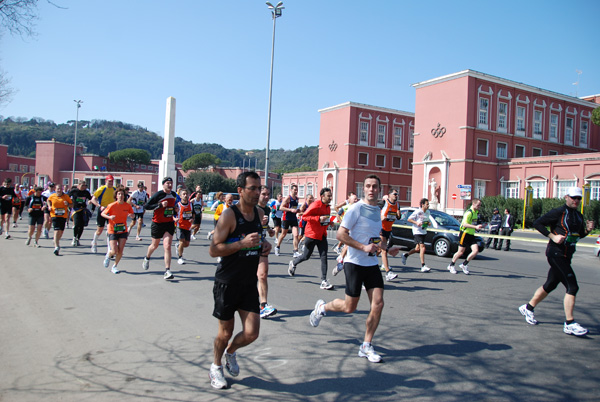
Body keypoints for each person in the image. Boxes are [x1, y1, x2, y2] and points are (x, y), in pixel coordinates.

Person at [309, 175, 398, 363]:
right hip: (354, 263)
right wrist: (363, 247)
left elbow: (375, 238)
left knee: (378, 303)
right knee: (350, 307)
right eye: (368, 186)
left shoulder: (377, 210)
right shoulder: (355, 209)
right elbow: (341, 234)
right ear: (363, 189)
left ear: (379, 190)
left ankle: (366, 345)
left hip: (372, 264)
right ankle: (322, 308)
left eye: (375, 186)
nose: (371, 189)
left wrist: (387, 249)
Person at [208, 172, 271, 389]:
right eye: (252, 188)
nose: (257, 193)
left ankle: (231, 352)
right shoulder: (229, 216)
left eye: (259, 188)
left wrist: (264, 245)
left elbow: (259, 240)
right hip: (227, 283)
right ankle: (215, 367)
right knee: (224, 333)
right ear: (240, 191)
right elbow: (213, 250)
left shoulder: (260, 212)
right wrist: (241, 244)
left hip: (247, 284)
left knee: (252, 333)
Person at [518, 187, 594, 337]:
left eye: (579, 198)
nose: (576, 201)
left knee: (551, 284)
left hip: (567, 255)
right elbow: (538, 223)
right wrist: (552, 236)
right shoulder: (559, 212)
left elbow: (577, 236)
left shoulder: (578, 216)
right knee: (572, 286)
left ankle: (528, 308)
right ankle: (569, 323)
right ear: (566, 197)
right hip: (555, 253)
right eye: (573, 197)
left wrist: (587, 231)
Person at [288, 188, 334, 290]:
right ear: (322, 196)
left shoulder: (328, 207)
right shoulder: (315, 205)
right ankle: (293, 263)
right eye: (328, 196)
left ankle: (324, 281)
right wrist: (318, 218)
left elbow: (325, 219)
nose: (330, 198)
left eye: (331, 196)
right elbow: (304, 216)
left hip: (322, 235)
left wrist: (329, 222)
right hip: (311, 235)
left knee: (324, 256)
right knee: (306, 256)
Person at [142, 177, 179, 280]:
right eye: (167, 183)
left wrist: (175, 210)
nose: (170, 185)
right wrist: (160, 205)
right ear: (163, 185)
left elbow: (173, 208)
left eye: (171, 183)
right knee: (154, 245)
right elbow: (147, 206)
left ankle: (167, 270)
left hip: (169, 223)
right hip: (157, 223)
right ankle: (147, 257)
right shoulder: (158, 195)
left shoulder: (174, 195)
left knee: (167, 246)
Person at [101, 187, 134, 274]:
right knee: (114, 251)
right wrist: (109, 217)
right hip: (113, 230)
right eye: (119, 194)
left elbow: (132, 214)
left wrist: (132, 216)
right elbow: (102, 213)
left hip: (123, 230)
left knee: (120, 250)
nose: (121, 196)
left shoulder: (127, 206)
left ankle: (114, 266)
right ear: (116, 196)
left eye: (122, 194)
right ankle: (108, 255)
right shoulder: (112, 205)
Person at [402, 197, 439, 273]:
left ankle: (406, 255)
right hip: (417, 231)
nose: (428, 205)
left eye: (428, 204)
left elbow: (427, 220)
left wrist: (428, 223)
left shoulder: (427, 212)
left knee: (417, 249)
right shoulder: (417, 211)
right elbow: (409, 219)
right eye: (427, 204)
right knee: (423, 247)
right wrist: (416, 223)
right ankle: (423, 265)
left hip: (423, 231)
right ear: (422, 204)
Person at [447, 198, 483, 275]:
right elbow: (464, 224)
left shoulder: (476, 212)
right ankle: (451, 265)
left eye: (480, 205)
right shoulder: (469, 213)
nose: (479, 206)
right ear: (473, 204)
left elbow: (473, 223)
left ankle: (464, 264)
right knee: (460, 252)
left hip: (471, 234)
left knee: (475, 250)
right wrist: (475, 227)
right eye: (478, 205)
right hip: (465, 234)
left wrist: (478, 226)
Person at [257, 185, 277, 318]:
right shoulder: (252, 208)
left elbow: (263, 225)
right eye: (263, 194)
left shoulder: (267, 209)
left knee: (263, 275)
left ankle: (263, 305)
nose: (266, 197)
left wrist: (268, 228)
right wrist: (258, 222)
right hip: (247, 246)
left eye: (268, 194)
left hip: (261, 244)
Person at [90, 175, 116, 253]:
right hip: (102, 210)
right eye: (109, 181)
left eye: (112, 181)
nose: (111, 183)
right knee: (100, 229)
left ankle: (110, 250)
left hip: (111, 211)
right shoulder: (102, 189)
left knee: (110, 230)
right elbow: (93, 199)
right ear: (106, 181)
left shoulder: (114, 189)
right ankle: (94, 242)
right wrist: (99, 206)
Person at [379, 189, 401, 281]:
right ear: (389, 195)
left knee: (378, 250)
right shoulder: (384, 203)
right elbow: (375, 212)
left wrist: (398, 214)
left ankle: (368, 261)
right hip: (380, 228)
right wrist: (381, 217)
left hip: (388, 229)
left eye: (397, 194)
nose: (396, 196)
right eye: (394, 194)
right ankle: (388, 272)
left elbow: (398, 217)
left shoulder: (397, 204)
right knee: (384, 250)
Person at [46, 184, 73, 256]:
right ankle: (57, 247)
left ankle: (55, 240)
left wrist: (67, 204)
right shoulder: (52, 196)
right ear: (55, 189)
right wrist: (49, 206)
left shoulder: (66, 196)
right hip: (54, 215)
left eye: (60, 189)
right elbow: (48, 200)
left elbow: (71, 205)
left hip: (63, 216)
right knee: (56, 230)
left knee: (61, 232)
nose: (59, 190)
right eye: (58, 189)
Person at [275, 184, 301, 257]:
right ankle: (277, 247)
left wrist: (297, 210)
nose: (296, 191)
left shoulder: (297, 199)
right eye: (294, 190)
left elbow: (294, 208)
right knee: (283, 234)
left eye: (297, 190)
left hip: (293, 218)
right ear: (291, 190)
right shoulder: (288, 198)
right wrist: (290, 210)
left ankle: (295, 251)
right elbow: (281, 208)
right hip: (286, 218)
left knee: (296, 235)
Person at [69, 181, 92, 246]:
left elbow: (90, 198)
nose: (84, 187)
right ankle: (74, 237)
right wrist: (69, 203)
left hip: (83, 210)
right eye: (82, 185)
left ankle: (78, 239)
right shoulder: (74, 191)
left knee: (82, 225)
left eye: (85, 186)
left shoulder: (86, 192)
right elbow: (67, 197)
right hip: (76, 209)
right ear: (79, 185)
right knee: (76, 224)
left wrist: (90, 201)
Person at [175, 188, 194, 265]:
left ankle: (178, 246)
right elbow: (172, 213)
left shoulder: (191, 204)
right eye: (184, 194)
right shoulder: (178, 205)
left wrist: (192, 219)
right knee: (182, 242)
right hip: (180, 226)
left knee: (186, 244)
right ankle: (180, 258)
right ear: (180, 196)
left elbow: (193, 214)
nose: (185, 195)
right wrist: (174, 218)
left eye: (186, 194)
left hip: (188, 226)